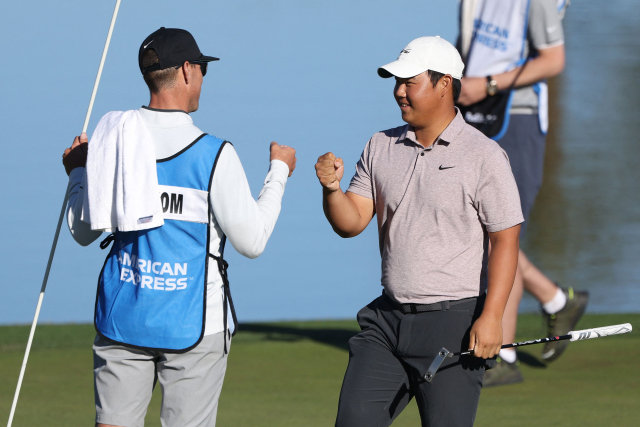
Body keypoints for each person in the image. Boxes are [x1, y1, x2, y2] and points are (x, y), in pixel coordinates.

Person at [61, 27, 296, 427]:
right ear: (187, 70)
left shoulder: (110, 140)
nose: (203, 77)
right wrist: (279, 172)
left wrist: (78, 173)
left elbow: (83, 232)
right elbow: (252, 241)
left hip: (124, 315)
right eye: (202, 68)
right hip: (196, 325)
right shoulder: (214, 153)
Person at [315, 36, 523, 427]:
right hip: (386, 321)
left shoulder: (484, 156)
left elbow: (505, 241)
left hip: (453, 324)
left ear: (445, 84)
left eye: (410, 82)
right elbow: (351, 222)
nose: (398, 91)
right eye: (397, 82)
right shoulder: (381, 145)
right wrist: (331, 191)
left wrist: (492, 316)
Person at [456, 0, 588, 386]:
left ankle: (501, 354)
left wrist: (489, 84)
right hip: (470, 112)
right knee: (476, 226)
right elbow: (468, 47)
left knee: (501, 231)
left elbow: (552, 60)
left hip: (518, 116)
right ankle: (554, 300)